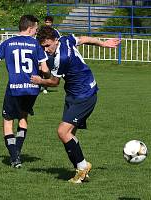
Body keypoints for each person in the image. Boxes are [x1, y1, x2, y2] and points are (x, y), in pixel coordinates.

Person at [31, 25, 120, 183]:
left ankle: (82, 168)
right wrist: (103, 43)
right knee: (69, 134)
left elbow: (54, 82)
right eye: (42, 47)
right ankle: (81, 169)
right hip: (75, 93)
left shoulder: (61, 58)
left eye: (47, 46)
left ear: (55, 40)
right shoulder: (66, 39)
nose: (45, 50)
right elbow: (84, 39)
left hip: (84, 95)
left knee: (63, 132)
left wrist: (39, 81)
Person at [0, 15, 49, 168]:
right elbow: (44, 69)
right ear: (30, 28)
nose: (37, 32)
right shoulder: (36, 44)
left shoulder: (8, 42)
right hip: (32, 88)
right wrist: (49, 77)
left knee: (8, 121)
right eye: (36, 29)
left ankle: (14, 157)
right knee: (23, 116)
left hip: (14, 88)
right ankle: (17, 151)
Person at [42, 16, 61, 94]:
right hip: (42, 53)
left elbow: (59, 41)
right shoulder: (41, 31)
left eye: (49, 22)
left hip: (50, 54)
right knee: (40, 70)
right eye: (46, 22)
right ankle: (38, 85)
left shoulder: (55, 31)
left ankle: (45, 87)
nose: (48, 24)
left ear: (52, 23)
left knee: (48, 70)